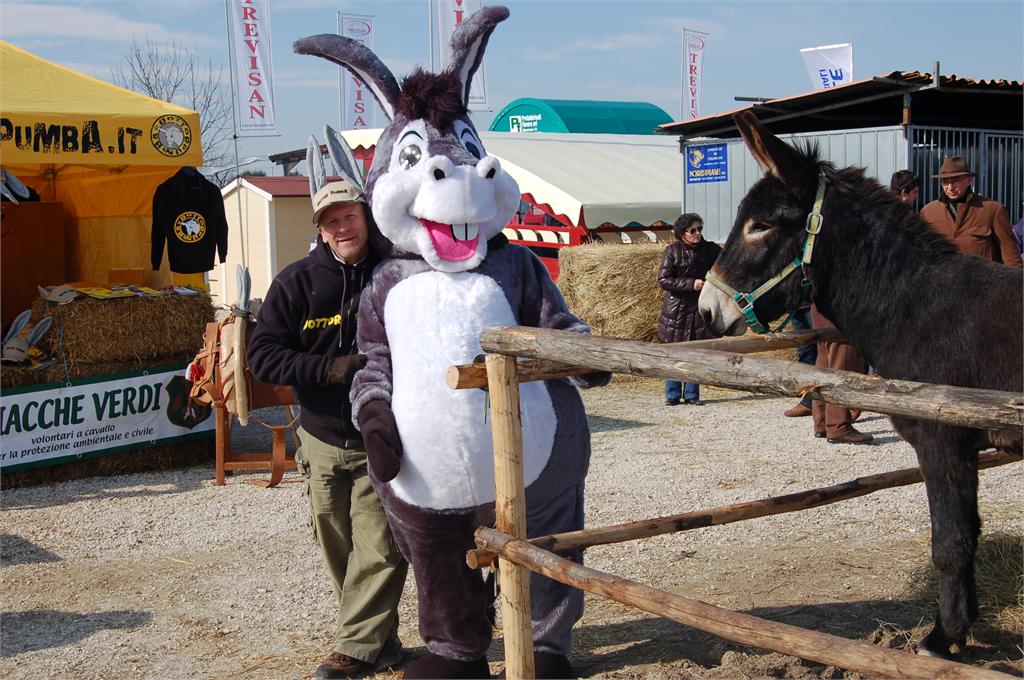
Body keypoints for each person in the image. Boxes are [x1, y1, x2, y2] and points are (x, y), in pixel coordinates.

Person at [247, 179, 408, 680]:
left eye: (350, 217)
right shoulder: (295, 283)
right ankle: (380, 643)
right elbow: (261, 356)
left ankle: (352, 653)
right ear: (320, 229)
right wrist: (327, 369)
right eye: (332, 221)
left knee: (380, 549)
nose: (343, 228)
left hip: (381, 438)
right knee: (337, 547)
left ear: (366, 218)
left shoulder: (394, 273)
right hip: (319, 438)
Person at [657, 213, 722, 405]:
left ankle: (692, 395)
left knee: (697, 351)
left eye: (699, 229)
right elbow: (663, 280)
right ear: (682, 233)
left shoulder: (711, 249)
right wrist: (690, 284)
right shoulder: (672, 251)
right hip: (677, 309)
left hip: (700, 307)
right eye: (692, 230)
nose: (697, 233)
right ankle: (672, 395)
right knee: (674, 352)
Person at [919, 156, 1022, 267]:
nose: (950, 187)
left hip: (983, 276)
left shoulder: (993, 210)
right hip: (942, 276)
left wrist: (1017, 276)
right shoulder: (928, 213)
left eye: (955, 181)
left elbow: (1010, 255)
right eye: (945, 182)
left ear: (969, 180)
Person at [811, 305, 873, 444]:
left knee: (824, 362)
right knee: (843, 363)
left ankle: (822, 422)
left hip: (821, 308)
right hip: (841, 310)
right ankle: (838, 426)